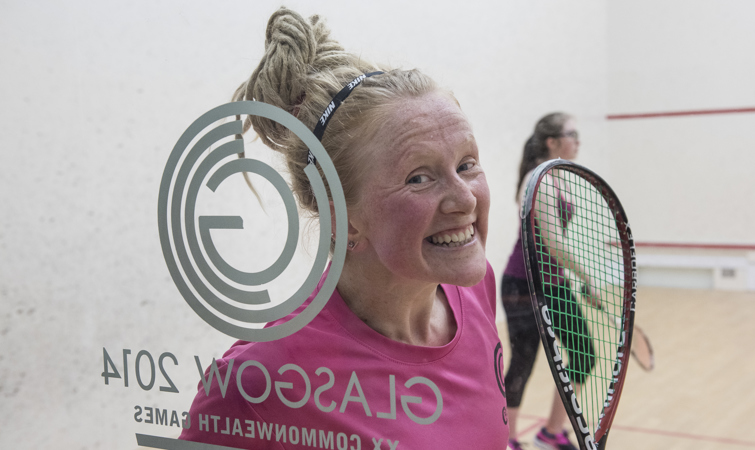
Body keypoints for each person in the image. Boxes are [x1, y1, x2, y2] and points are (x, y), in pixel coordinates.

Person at [179, 8, 508, 449]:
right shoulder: (258, 381)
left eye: (467, 164)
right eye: (419, 177)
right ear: (343, 218)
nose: (465, 198)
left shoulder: (475, 288)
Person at [503, 113, 596, 450]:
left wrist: (579, 282)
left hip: (554, 283)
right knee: (524, 359)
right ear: (552, 142)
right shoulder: (537, 178)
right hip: (523, 284)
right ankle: (508, 439)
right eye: (573, 134)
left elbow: (553, 248)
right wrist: (588, 279)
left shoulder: (558, 176)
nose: (578, 140)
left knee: (584, 354)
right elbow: (554, 242)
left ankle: (551, 432)